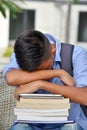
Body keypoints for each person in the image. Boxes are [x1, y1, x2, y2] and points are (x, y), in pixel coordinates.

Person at [3, 30, 87, 130]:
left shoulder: (76, 54)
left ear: (53, 49)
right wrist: (58, 73)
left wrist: (41, 84)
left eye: (46, 68)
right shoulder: (25, 52)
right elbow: (11, 78)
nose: (41, 75)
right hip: (31, 124)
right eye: (33, 73)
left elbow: (84, 97)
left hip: (69, 123)